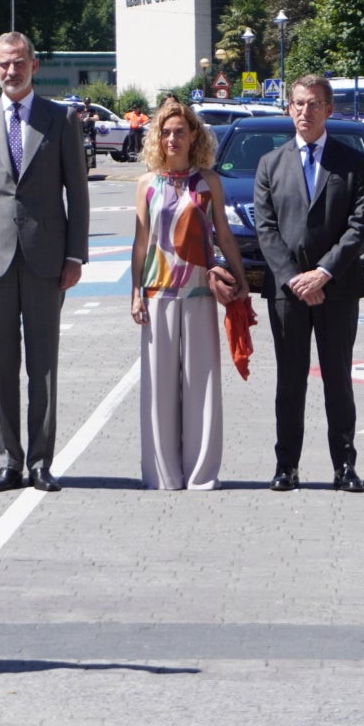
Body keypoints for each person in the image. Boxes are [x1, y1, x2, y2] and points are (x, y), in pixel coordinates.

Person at [0, 32, 89, 493]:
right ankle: (8, 460)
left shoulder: (60, 119)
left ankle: (40, 462)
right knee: (0, 364)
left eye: (18, 63)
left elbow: (77, 190)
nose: (11, 71)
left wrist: (75, 254)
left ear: (33, 65)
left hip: (46, 258)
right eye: (2, 65)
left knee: (43, 366)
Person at [252, 75, 364, 493]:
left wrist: (323, 272)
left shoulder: (351, 162)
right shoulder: (270, 164)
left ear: (329, 110)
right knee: (290, 380)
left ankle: (344, 466)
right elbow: (266, 230)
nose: (306, 111)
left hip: (337, 289)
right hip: (287, 294)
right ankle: (287, 465)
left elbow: (358, 228)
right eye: (299, 104)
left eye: (315, 104)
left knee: (338, 379)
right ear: (290, 109)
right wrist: (293, 279)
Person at [129, 100, 246, 490]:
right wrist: (135, 293)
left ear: (194, 135)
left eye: (180, 131)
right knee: (159, 387)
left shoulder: (209, 181)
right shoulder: (148, 183)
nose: (173, 138)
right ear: (157, 139)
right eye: (166, 132)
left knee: (202, 383)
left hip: (199, 292)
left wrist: (241, 280)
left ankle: (200, 474)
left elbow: (223, 235)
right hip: (158, 290)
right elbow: (141, 241)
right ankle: (162, 474)